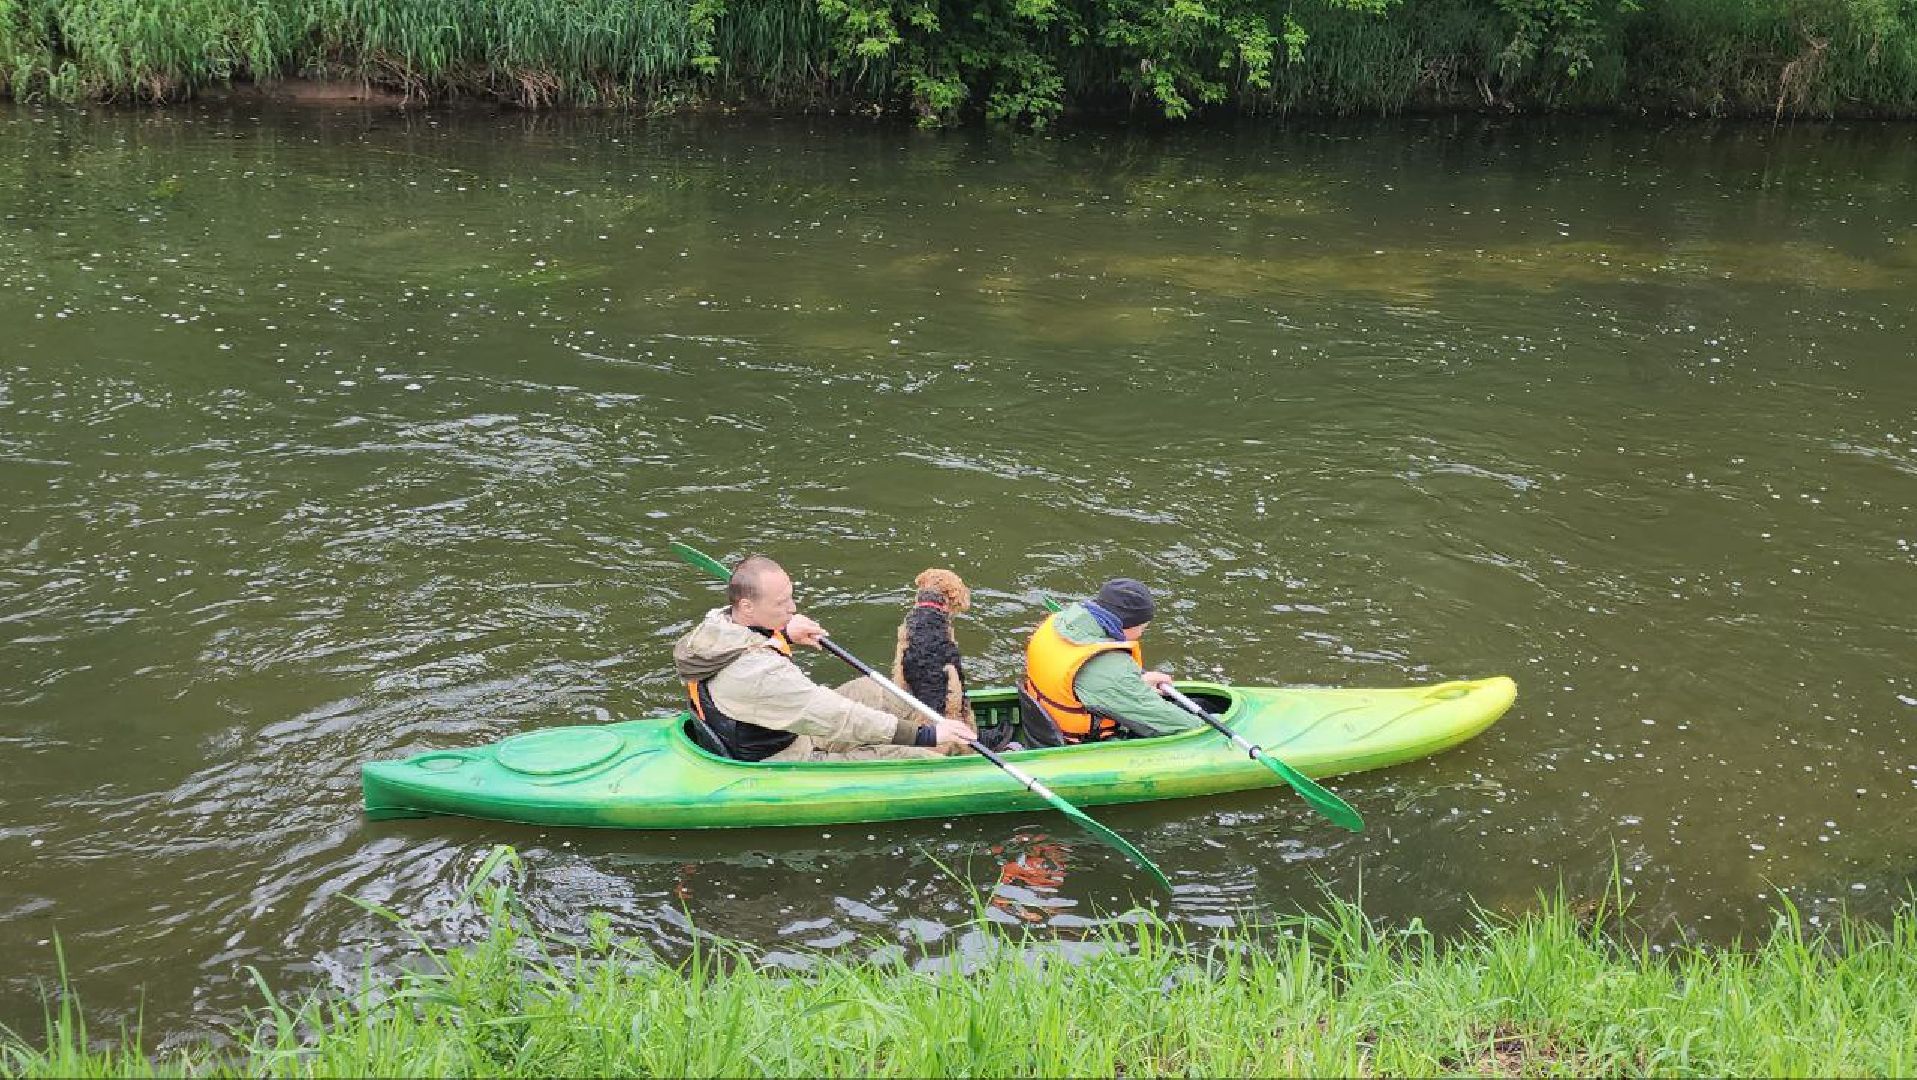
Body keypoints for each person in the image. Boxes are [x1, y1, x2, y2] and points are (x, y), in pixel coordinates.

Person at [672, 555, 975, 762]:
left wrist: (784, 632)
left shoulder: (717, 625)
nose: (793, 608)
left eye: (791, 597)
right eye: (782, 603)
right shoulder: (762, 675)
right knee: (923, 758)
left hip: (775, 723)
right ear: (748, 607)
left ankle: (948, 734)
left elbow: (746, 642)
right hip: (790, 756)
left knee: (883, 692)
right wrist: (926, 735)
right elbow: (838, 717)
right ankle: (957, 753)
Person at [1019, 577, 1203, 743]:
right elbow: (1163, 720)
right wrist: (1209, 727)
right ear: (1127, 624)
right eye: (1142, 628)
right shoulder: (1105, 668)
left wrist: (1136, 684)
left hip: (1038, 728)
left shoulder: (1058, 623)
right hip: (1076, 745)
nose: (1140, 634)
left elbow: (1090, 684)